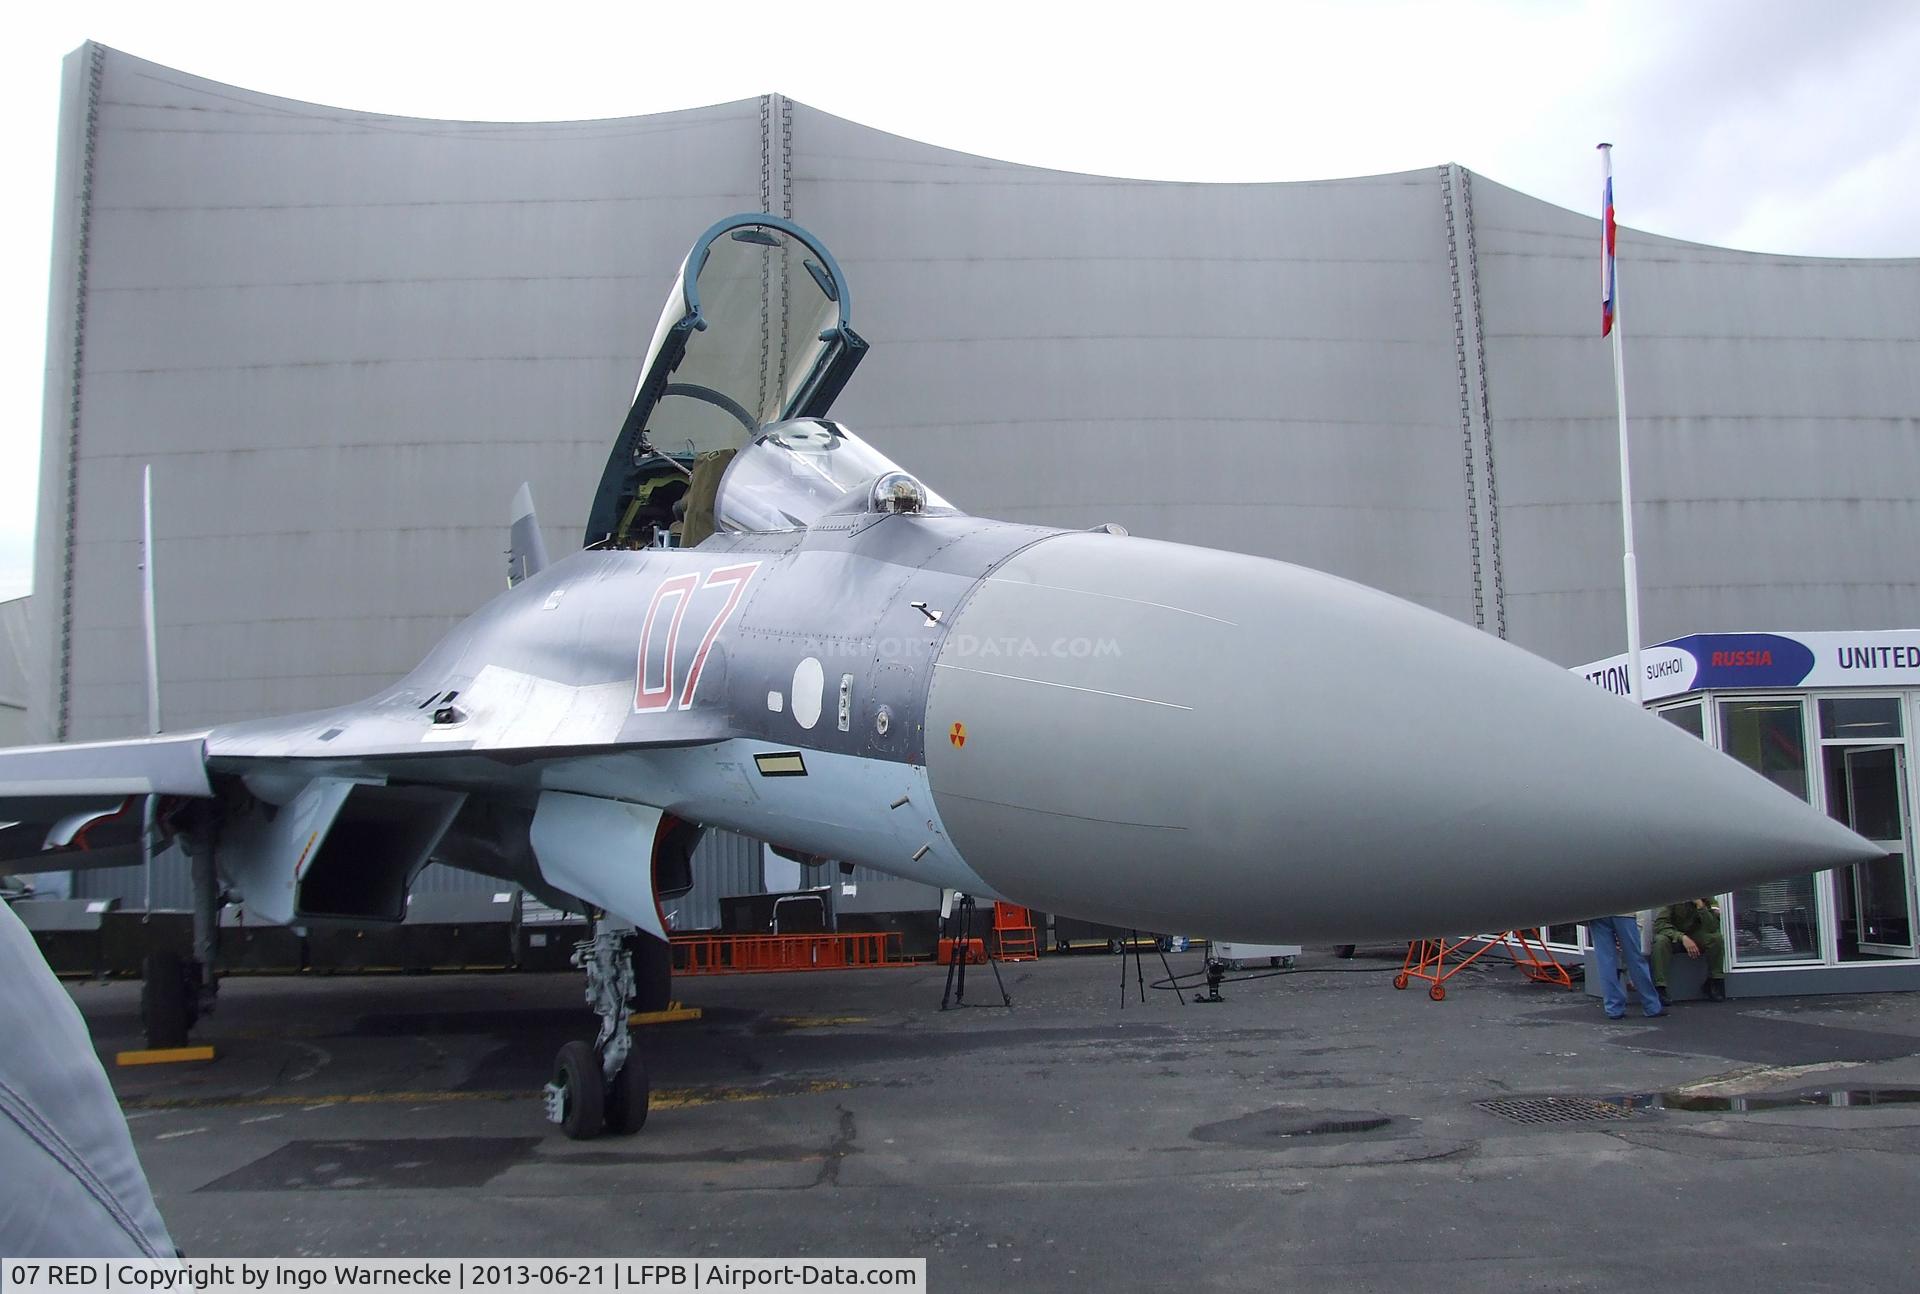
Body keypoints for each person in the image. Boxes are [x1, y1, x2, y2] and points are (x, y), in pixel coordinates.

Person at [1586, 914, 1665, 1020]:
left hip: (1598, 911)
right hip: (1624, 911)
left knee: (1605, 962)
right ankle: (1652, 1006)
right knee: (1635, 959)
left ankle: (1613, 1009)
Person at [1653, 897, 1727, 1003]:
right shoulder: (1673, 894)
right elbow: (1660, 925)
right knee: (1660, 941)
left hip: (1696, 935)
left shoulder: (1708, 897)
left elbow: (1712, 927)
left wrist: (1701, 906)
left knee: (1716, 939)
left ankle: (1714, 982)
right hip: (1674, 936)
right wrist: (1681, 937)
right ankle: (1660, 988)